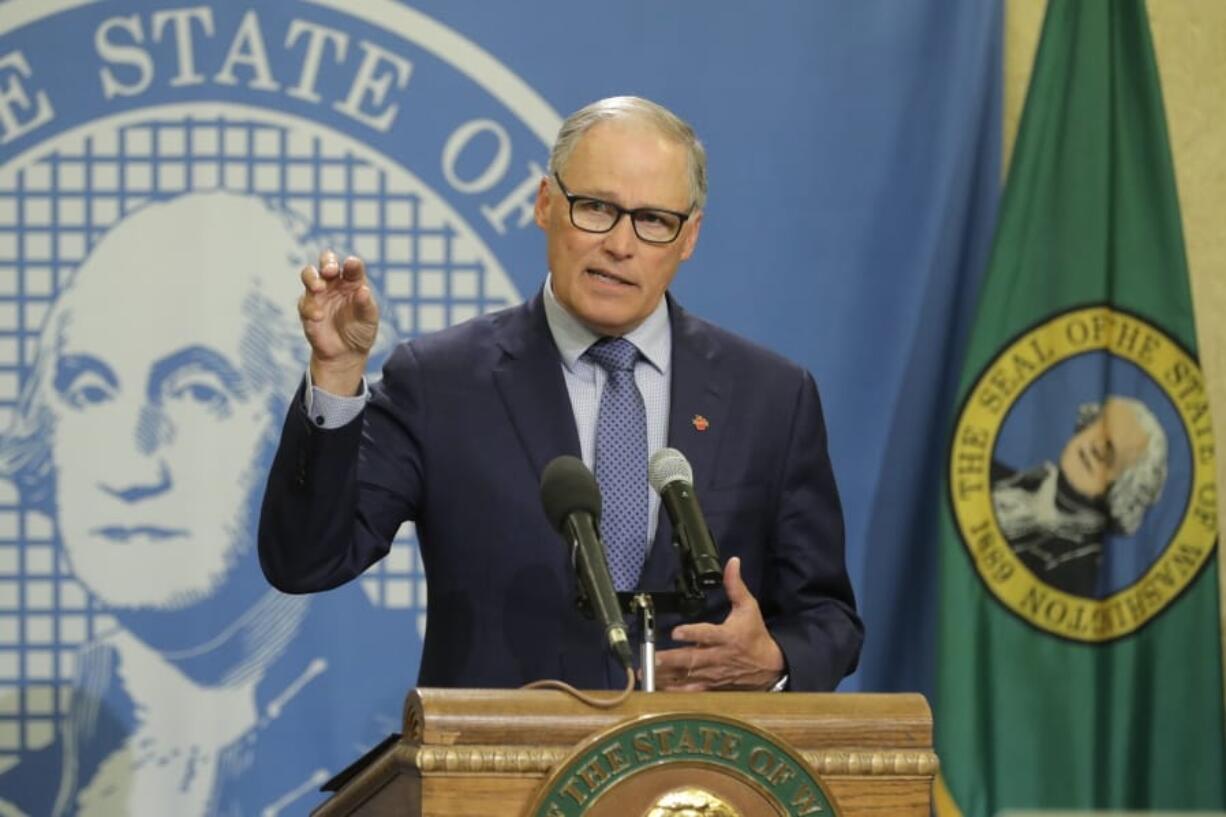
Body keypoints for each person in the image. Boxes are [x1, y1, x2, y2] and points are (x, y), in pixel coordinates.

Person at [259, 96, 863, 692]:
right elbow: (307, 560)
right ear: (546, 203)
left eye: (653, 220)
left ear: (689, 237)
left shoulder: (770, 397)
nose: (620, 245)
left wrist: (775, 658)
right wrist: (336, 376)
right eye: (596, 207)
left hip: (695, 777)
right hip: (499, 775)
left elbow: (828, 619)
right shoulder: (439, 382)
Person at [0, 192, 407, 817]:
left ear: (300, 421)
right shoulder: (33, 781)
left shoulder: (405, 745)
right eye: (88, 389)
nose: (129, 466)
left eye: (197, 391)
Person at [992, 396, 1168, 595]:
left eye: (1114, 451)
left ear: (1126, 488)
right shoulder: (988, 476)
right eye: (1102, 429)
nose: (1098, 447)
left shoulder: (1070, 582)